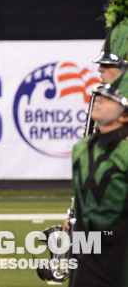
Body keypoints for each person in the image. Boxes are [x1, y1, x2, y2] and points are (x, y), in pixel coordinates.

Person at [69, 72, 128, 286]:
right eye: (100, 97)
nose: (100, 100)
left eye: (109, 99)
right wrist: (73, 222)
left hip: (119, 245)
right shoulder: (81, 148)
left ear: (124, 115)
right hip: (87, 245)